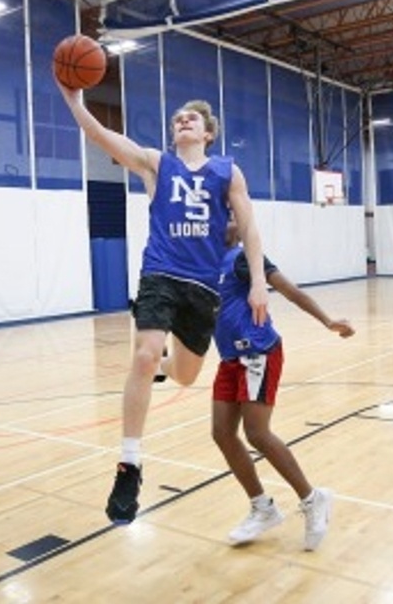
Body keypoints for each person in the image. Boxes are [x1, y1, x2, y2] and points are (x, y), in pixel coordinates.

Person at [57, 80, 270, 524]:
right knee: (144, 351)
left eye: (191, 117)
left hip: (202, 286)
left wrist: (258, 283)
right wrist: (75, 101)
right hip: (160, 273)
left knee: (187, 374)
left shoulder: (228, 172)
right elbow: (103, 138)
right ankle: (129, 464)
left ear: (208, 132)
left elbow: (249, 229)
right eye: (177, 118)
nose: (182, 120)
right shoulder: (158, 164)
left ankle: (163, 365)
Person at [212, 218, 355, 551]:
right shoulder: (202, 265)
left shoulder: (245, 258)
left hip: (259, 352)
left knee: (257, 433)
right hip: (229, 358)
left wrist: (328, 320)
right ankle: (262, 508)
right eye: (225, 215)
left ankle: (312, 498)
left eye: (234, 215)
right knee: (221, 432)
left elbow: (289, 290)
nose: (231, 221)